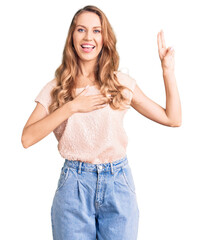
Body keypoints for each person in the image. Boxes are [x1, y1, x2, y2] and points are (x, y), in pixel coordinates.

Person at [21, 5, 181, 240]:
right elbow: (26, 138)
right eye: (81, 30)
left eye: (96, 31)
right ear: (72, 37)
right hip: (74, 186)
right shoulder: (57, 88)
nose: (88, 37)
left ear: (104, 38)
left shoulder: (120, 83)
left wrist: (167, 71)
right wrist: (72, 106)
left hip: (118, 183)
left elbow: (172, 118)